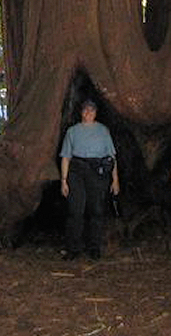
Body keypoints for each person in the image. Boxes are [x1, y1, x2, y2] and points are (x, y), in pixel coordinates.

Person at [60, 100, 120, 261]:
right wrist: (64, 180)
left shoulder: (103, 131)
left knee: (96, 210)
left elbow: (111, 157)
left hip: (97, 171)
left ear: (96, 112)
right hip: (77, 170)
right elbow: (66, 157)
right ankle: (73, 248)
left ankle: (94, 247)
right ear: (81, 112)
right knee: (75, 210)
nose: (88, 113)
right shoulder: (72, 132)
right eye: (85, 110)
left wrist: (115, 180)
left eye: (92, 110)